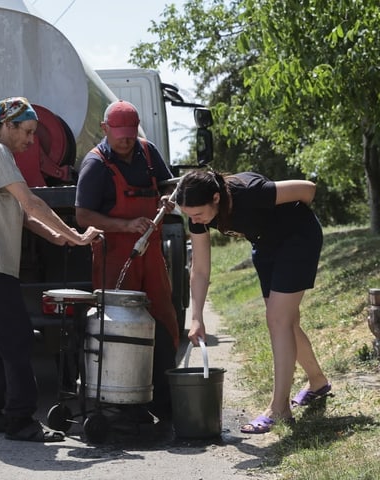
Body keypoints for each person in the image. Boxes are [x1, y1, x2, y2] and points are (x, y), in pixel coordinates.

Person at [0, 97, 102, 442]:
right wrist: (78, 236)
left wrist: (59, 237)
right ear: (7, 125)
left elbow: (19, 215)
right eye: (28, 131)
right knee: (18, 337)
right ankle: (20, 421)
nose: (32, 140)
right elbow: (32, 203)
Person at [173, 169, 331, 434]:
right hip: (265, 245)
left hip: (297, 238)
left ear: (216, 198)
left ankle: (279, 408)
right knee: (286, 322)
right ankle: (318, 382)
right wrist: (197, 317)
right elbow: (199, 269)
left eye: (197, 214)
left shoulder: (249, 192)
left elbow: (308, 188)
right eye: (189, 216)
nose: (195, 220)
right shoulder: (199, 214)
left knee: (278, 319)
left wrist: (292, 220)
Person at [75, 100, 179, 423]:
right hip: (114, 256)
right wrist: (125, 226)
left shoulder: (148, 153)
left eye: (130, 134)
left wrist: (168, 198)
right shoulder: (95, 165)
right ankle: (118, 405)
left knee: (164, 321)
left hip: (150, 254)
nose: (126, 140)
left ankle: (162, 402)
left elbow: (169, 184)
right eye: (119, 134)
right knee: (118, 330)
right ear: (106, 130)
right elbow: (82, 216)